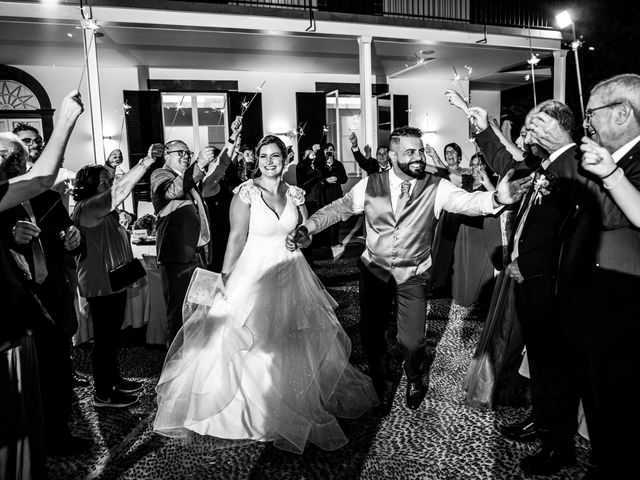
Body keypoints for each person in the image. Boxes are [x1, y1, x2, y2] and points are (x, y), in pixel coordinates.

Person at [154, 135, 379, 453]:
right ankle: (248, 413)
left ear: (285, 159)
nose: (270, 161)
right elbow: (236, 238)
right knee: (249, 337)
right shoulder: (245, 193)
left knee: (290, 338)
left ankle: (287, 402)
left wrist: (300, 240)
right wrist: (225, 279)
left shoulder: (296, 193)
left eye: (276, 155)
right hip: (252, 270)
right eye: (264, 156)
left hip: (291, 269)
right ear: (256, 160)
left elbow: (306, 236)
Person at [287, 126, 530, 414]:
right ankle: (382, 383)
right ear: (392, 155)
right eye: (410, 152)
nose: (418, 157)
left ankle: (414, 376)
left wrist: (497, 199)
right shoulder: (369, 185)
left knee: (412, 340)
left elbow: (467, 202)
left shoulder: (436, 186)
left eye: (419, 150)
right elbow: (338, 209)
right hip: (374, 272)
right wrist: (308, 227)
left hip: (413, 275)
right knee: (372, 333)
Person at [469, 101, 586, 476]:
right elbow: (506, 162)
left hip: (548, 286)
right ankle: (542, 421)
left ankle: (559, 445)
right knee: (538, 361)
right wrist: (483, 128)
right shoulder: (543, 168)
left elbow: (569, 238)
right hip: (526, 281)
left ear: (559, 128)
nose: (529, 134)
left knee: (555, 368)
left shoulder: (575, 172)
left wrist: (529, 265)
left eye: (537, 126)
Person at [559, 73, 640, 480]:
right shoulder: (611, 158)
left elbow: (616, 215)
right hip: (593, 309)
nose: (587, 123)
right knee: (599, 406)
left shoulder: (633, 163)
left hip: (622, 314)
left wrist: (607, 174)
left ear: (623, 113)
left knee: (618, 410)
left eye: (591, 114)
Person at [1, 90, 83, 478]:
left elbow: (69, 233)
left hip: (51, 292)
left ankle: (56, 433)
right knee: (23, 383)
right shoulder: (10, 196)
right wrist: (9, 237)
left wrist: (73, 239)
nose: (18, 156)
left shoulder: (48, 194)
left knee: (58, 370)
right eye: (15, 150)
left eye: (27, 147)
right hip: (18, 303)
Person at [73, 143, 165, 408]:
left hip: (114, 281)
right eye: (103, 181)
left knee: (112, 337)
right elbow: (119, 192)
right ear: (91, 185)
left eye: (108, 180)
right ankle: (103, 393)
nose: (109, 184)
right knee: (104, 339)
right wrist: (146, 162)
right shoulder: (87, 207)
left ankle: (114, 380)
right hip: (100, 284)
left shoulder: (102, 210)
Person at [151, 140, 221, 346]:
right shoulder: (160, 175)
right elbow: (173, 191)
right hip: (178, 258)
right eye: (179, 152)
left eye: (187, 152)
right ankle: (175, 367)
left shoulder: (189, 179)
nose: (185, 156)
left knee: (201, 310)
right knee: (179, 313)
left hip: (199, 255)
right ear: (166, 156)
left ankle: (197, 362)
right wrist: (198, 164)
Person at [316, 143, 348, 246]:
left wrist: (336, 177)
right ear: (324, 152)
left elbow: (344, 179)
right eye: (326, 150)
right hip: (324, 195)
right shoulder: (319, 164)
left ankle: (334, 241)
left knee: (335, 217)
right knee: (324, 217)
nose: (329, 152)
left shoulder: (338, 164)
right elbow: (317, 179)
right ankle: (324, 242)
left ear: (334, 152)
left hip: (336, 194)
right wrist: (326, 179)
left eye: (331, 150)